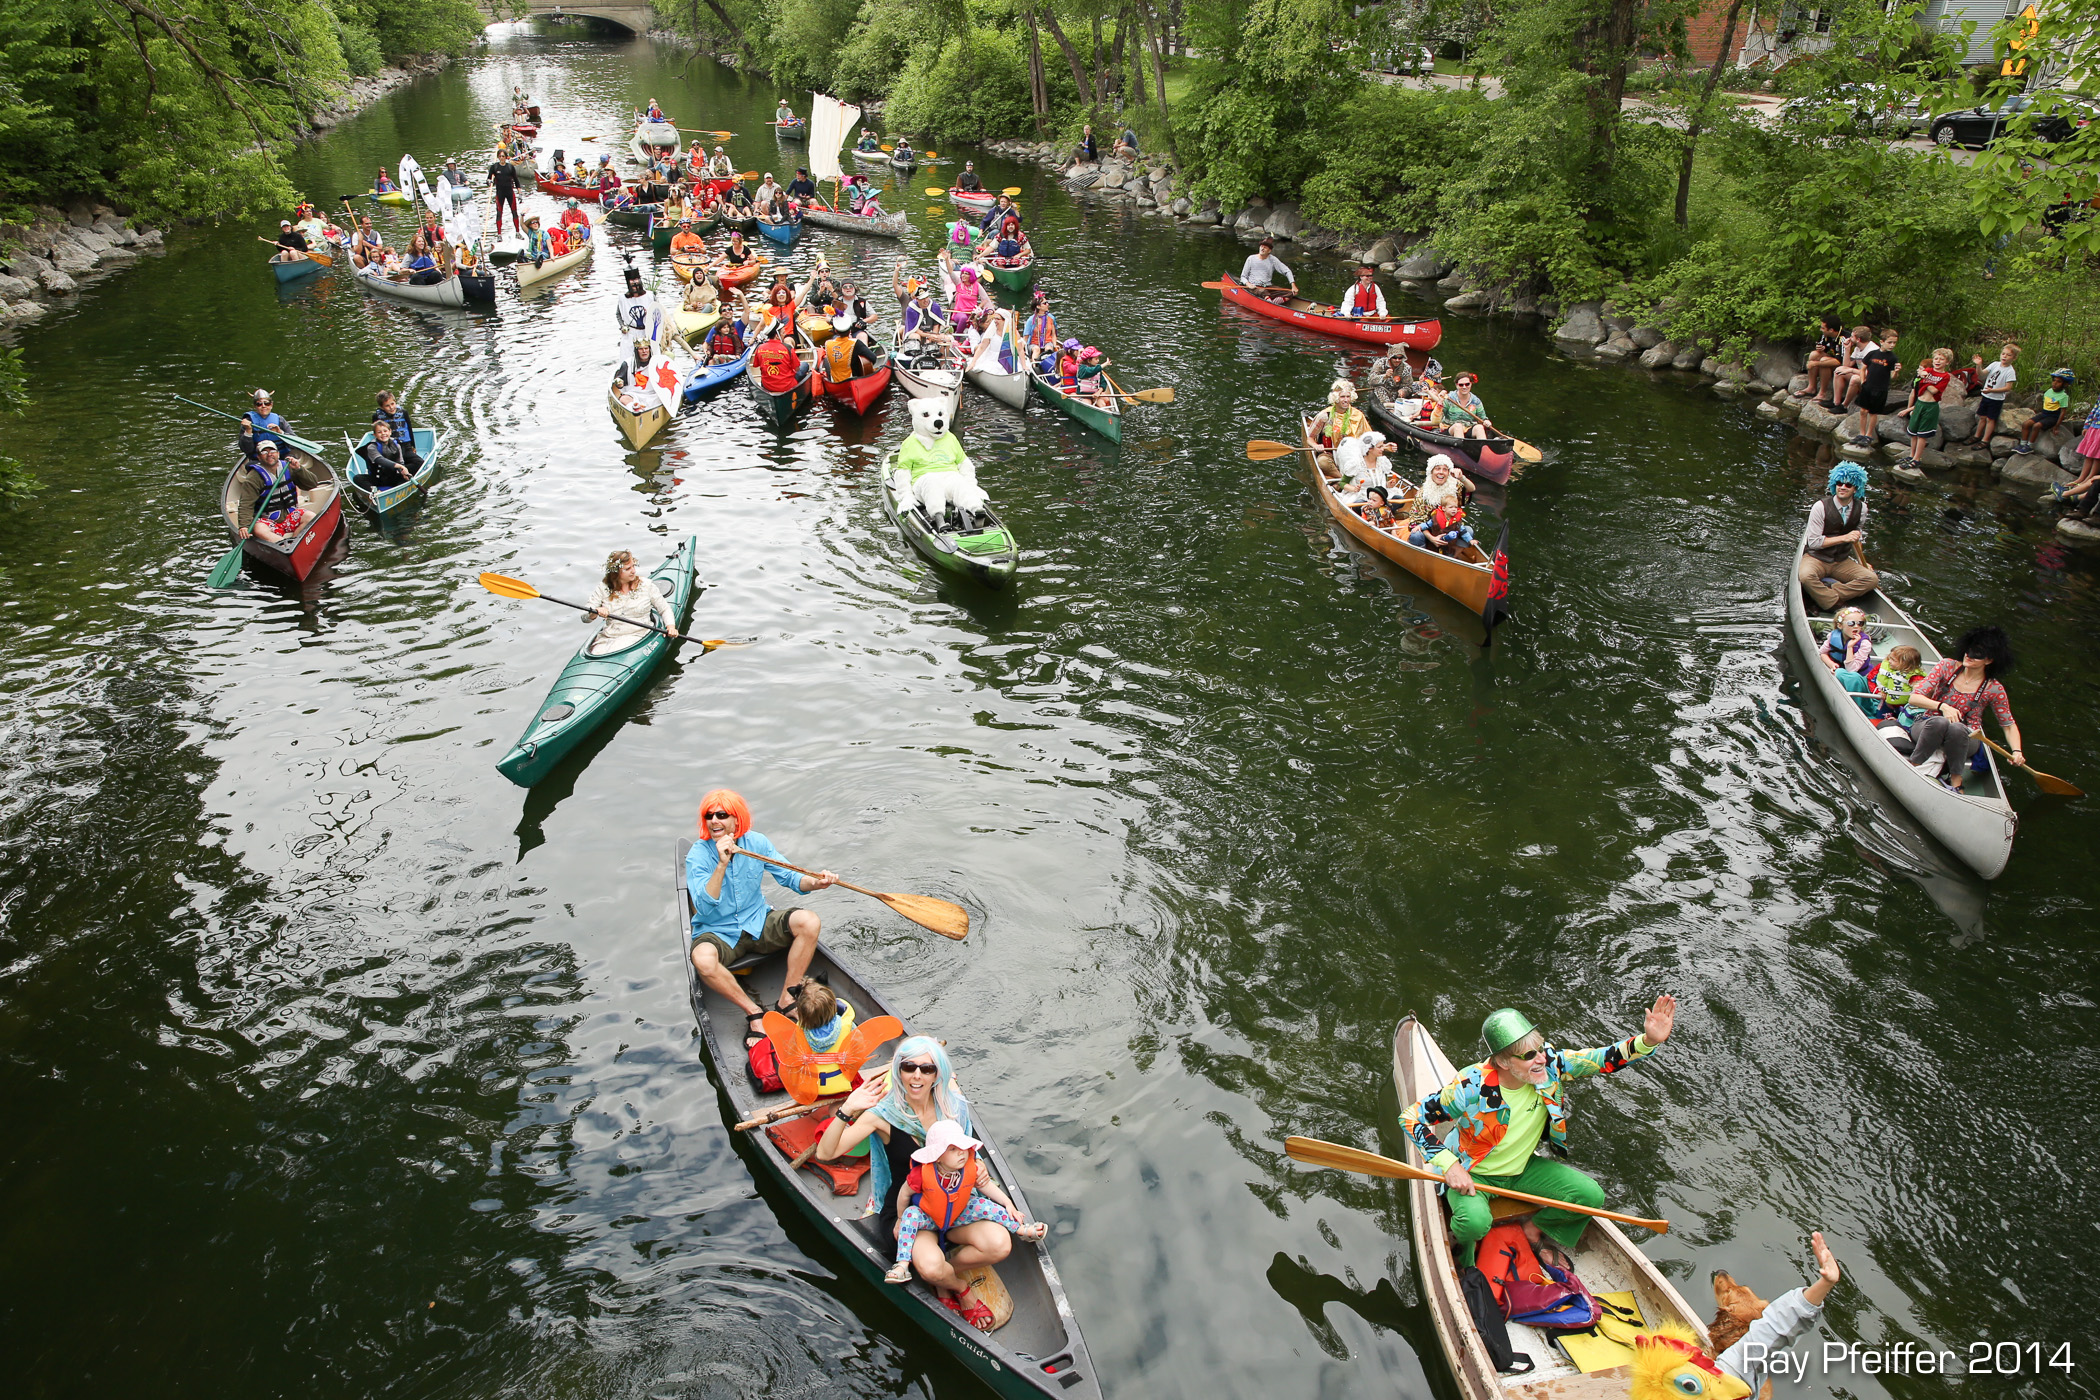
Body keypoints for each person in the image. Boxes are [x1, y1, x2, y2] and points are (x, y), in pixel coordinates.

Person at [1401, 997, 1676, 1267]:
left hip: (1521, 1170)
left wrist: (1648, 1040)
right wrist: (1450, 1166)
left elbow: (1601, 1059)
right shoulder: (1470, 1085)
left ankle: (1534, 1229)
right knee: (1474, 1225)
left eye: (1541, 1049)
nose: (1541, 1059)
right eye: (1529, 1055)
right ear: (1504, 1062)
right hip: (1474, 1171)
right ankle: (1465, 1258)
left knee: (1590, 1197)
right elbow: (1411, 1118)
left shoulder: (1551, 1065)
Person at [818, 1039, 1007, 1328]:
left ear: (937, 1074)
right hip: (909, 1210)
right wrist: (848, 1109)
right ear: (899, 1071)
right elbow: (826, 1153)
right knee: (930, 1267)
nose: (917, 1075)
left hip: (954, 1201)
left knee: (999, 1245)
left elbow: (969, 1153)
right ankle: (957, 1287)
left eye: (927, 1068)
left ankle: (943, 1272)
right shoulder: (882, 1115)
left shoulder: (953, 1107)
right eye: (909, 1067)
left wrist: (977, 1164)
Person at [685, 791, 838, 1048]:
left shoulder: (756, 843)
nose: (714, 820)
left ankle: (787, 999)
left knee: (809, 921)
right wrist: (721, 864)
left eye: (721, 815)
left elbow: (791, 877)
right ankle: (754, 1012)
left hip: (757, 921)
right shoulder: (698, 855)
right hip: (718, 931)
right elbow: (702, 905)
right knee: (702, 959)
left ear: (737, 820)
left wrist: (818, 883)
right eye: (708, 815)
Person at [883, 1118, 1048, 1293]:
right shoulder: (921, 1174)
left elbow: (986, 1187)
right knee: (910, 1214)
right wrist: (900, 1219)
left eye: (962, 1148)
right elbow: (904, 1193)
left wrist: (1008, 1203)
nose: (961, 1153)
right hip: (929, 1218)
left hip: (958, 1215)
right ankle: (902, 1265)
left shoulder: (970, 1168)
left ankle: (1021, 1230)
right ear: (937, 1156)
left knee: (983, 1204)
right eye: (952, 1149)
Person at [1903, 626, 2023, 791]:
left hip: (1965, 738)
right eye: (1969, 650)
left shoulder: (1994, 689)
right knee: (1939, 722)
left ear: (1989, 660)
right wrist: (1942, 707)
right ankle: (1914, 764)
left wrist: (2017, 751)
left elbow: (2008, 725)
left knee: (1958, 728)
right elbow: (1914, 698)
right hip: (1928, 726)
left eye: (1977, 654)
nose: (1969, 656)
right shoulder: (1946, 666)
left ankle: (1956, 780)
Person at [1797, 462, 1877, 610]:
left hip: (1841, 560)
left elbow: (1856, 537)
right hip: (1817, 557)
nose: (1843, 487)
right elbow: (1813, 543)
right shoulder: (1820, 507)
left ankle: (1823, 596)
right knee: (1806, 576)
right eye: (1839, 483)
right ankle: (1834, 603)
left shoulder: (1862, 508)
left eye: (1848, 485)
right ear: (1834, 484)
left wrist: (1863, 563)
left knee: (1871, 579)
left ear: (1855, 488)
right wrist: (1844, 538)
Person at [230, 439, 324, 542]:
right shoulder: (254, 477)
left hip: (290, 515)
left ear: (278, 454)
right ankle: (282, 546)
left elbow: (311, 484)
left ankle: (295, 542)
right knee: (258, 529)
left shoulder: (289, 467)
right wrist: (244, 526)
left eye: (272, 451)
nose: (269, 454)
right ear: (259, 457)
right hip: (267, 520)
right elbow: (246, 503)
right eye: (264, 452)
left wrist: (299, 469)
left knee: (311, 517)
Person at [1819, 605, 1879, 715]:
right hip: (1838, 670)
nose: (1856, 626)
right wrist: (1831, 664)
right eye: (1851, 623)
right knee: (1841, 672)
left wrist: (1850, 647)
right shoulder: (1832, 636)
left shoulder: (1865, 643)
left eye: (1860, 623)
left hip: (1859, 676)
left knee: (1850, 676)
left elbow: (1851, 669)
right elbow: (1822, 653)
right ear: (1840, 625)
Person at [1898, 347, 1954, 467]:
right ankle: (1911, 455)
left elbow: (1934, 390)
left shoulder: (1945, 376)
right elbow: (1918, 382)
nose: (1938, 361)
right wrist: (1922, 375)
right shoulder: (1928, 370)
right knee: (1913, 432)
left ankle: (1917, 459)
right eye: (1936, 358)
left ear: (1947, 362)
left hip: (1930, 406)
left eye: (1941, 359)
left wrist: (1926, 378)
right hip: (1919, 404)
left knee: (1922, 434)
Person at [1409, 456, 1475, 551]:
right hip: (1430, 530)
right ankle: (1422, 555)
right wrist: (1432, 538)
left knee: (1469, 530)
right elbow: (1416, 522)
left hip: (1451, 529)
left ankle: (1454, 554)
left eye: (1445, 469)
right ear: (1431, 471)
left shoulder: (1455, 486)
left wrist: (1461, 477)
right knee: (1416, 535)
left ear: (1448, 473)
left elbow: (1471, 489)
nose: (1441, 472)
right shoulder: (1422, 493)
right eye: (1437, 468)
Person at [1848, 329, 1900, 449]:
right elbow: (1863, 368)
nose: (1892, 345)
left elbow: (1893, 376)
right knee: (1863, 411)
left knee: (1873, 412)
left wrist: (1896, 372)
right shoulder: (1872, 354)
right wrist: (1862, 381)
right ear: (1882, 342)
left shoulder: (1892, 358)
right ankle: (1861, 433)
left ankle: (1869, 435)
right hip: (1868, 386)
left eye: (1894, 343)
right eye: (1890, 342)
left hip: (1881, 388)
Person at [1310, 379, 1368, 473]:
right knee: (1322, 462)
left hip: (1353, 455)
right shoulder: (1325, 416)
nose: (1346, 400)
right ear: (1336, 398)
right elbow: (1310, 438)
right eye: (1342, 397)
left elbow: (1368, 438)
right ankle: (1342, 480)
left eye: (1348, 396)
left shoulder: (1358, 415)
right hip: (1331, 454)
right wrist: (1316, 446)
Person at [357, 417, 423, 488]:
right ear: (375, 435)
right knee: (357, 478)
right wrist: (399, 466)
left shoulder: (397, 445)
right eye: (379, 432)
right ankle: (374, 491)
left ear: (390, 432)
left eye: (385, 431)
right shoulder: (372, 447)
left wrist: (403, 472)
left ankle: (399, 487)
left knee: (417, 464)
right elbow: (380, 460)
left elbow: (400, 462)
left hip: (393, 476)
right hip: (377, 478)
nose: (383, 434)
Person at [1974, 342, 2018, 446]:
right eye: (2003, 354)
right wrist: (1978, 365)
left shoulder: (2010, 371)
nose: (2005, 356)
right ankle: (1976, 436)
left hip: (1996, 399)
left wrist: (1992, 391)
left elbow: (2008, 388)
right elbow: (1981, 374)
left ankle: (1985, 440)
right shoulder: (1994, 364)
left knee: (1990, 419)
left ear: (2014, 358)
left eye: (2008, 355)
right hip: (1986, 396)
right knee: (1982, 417)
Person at [2022, 367, 2073, 456]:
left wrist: (2056, 426)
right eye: (2054, 381)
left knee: (2036, 426)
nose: (2055, 383)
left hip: (2053, 417)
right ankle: (2022, 444)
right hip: (2044, 413)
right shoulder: (2049, 391)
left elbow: (2063, 412)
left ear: (2065, 384)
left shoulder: (2063, 396)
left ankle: (2030, 446)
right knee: (2026, 424)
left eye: (2058, 382)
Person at [1830, 326, 1877, 413]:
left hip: (1872, 381)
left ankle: (1844, 406)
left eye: (1851, 337)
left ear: (1858, 339)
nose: (1849, 338)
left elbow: (1870, 373)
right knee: (1839, 370)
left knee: (1855, 378)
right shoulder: (1857, 348)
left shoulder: (1873, 351)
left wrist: (1851, 370)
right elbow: (1846, 365)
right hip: (1861, 375)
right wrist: (1847, 349)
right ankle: (1836, 403)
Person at [1798, 316, 1843, 403]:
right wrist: (1822, 348)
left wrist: (1815, 364)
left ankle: (1822, 393)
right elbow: (1826, 347)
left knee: (1823, 361)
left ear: (1831, 330)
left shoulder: (1843, 339)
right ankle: (1811, 387)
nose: (1821, 329)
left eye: (1823, 328)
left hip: (1846, 365)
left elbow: (1839, 361)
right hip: (1834, 359)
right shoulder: (1826, 335)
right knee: (1814, 354)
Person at [239, 388, 291, 461]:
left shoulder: (280, 420)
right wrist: (248, 431)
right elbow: (246, 450)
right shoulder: (248, 421)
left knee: (294, 466)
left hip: (281, 456)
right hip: (258, 459)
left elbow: (294, 444)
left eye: (267, 403)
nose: (263, 406)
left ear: (271, 404)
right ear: (255, 406)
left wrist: (280, 433)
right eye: (259, 404)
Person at [1238, 237, 1295, 302]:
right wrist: (1248, 284)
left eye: (1265, 247)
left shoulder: (1273, 260)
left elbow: (1287, 271)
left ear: (1269, 250)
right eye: (1262, 246)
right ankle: (1270, 303)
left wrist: (1293, 285)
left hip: (1268, 286)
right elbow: (1243, 277)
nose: (1262, 248)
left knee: (1290, 293)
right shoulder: (1251, 258)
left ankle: (1274, 303)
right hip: (1254, 286)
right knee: (1263, 292)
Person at [1439, 373, 1494, 440]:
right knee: (1458, 426)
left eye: (1467, 384)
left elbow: (1482, 418)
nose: (1464, 387)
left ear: (1471, 384)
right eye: (1461, 385)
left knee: (1479, 427)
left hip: (1468, 428)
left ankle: (1483, 447)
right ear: (1456, 385)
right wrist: (1440, 402)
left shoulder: (1476, 401)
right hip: (1450, 428)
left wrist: (1486, 421)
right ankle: (1460, 448)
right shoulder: (1449, 398)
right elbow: (1439, 415)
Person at [616, 265, 660, 343]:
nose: (634, 282)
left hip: (649, 332)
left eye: (636, 279)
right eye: (632, 280)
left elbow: (659, 313)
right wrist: (622, 326)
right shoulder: (623, 299)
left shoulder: (650, 296)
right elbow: (618, 314)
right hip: (630, 334)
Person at [752, 324, 802, 394]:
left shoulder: (760, 348)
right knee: (805, 365)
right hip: (787, 386)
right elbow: (797, 368)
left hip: (767, 386)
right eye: (783, 333)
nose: (785, 334)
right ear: (777, 335)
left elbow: (756, 365)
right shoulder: (788, 348)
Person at [1022, 291, 1058, 374]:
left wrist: (1055, 344)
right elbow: (1026, 337)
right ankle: (1035, 369)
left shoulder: (1051, 318)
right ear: (1038, 306)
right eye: (1045, 303)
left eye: (1047, 302)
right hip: (1034, 344)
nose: (1047, 304)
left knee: (1048, 349)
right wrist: (1023, 349)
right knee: (1036, 349)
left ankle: (1048, 368)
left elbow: (1053, 334)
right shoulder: (1031, 320)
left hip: (1047, 342)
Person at [487, 149, 521, 235]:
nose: (502, 158)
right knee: (499, 213)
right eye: (500, 156)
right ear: (498, 157)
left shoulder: (510, 167)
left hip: (510, 192)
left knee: (514, 212)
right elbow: (488, 179)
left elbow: (516, 181)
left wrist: (520, 193)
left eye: (503, 156)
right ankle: (499, 234)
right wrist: (489, 182)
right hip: (500, 193)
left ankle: (517, 232)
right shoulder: (494, 167)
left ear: (506, 157)